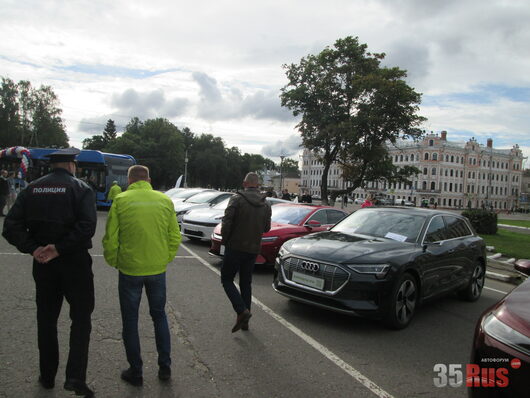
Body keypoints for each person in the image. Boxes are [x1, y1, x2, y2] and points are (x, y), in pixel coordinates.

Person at [2, 148, 97, 397]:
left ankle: (47, 377)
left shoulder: (32, 188)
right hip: (75, 263)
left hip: (43, 264)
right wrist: (60, 248)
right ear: (70, 165)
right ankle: (75, 378)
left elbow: (10, 226)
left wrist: (34, 249)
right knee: (81, 320)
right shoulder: (81, 188)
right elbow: (87, 227)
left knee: (46, 320)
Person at [102, 165, 181, 386]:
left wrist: (114, 260)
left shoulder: (121, 200)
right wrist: (165, 257)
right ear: (149, 179)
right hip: (157, 269)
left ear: (129, 180)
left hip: (129, 269)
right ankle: (164, 367)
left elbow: (111, 238)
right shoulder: (165, 201)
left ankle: (136, 371)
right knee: (159, 316)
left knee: (130, 320)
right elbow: (174, 235)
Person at [221, 172, 271, 332]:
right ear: (257, 185)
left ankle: (241, 311)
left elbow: (226, 222)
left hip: (234, 247)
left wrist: (225, 240)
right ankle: (245, 321)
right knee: (245, 283)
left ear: (244, 183)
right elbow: (266, 228)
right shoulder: (266, 203)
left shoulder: (236, 199)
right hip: (253, 249)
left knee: (227, 280)